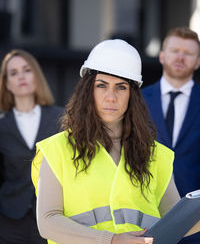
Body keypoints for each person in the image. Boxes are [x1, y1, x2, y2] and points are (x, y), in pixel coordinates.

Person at [32, 39, 199, 244]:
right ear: (88, 91)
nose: (111, 97)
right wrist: (111, 239)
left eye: (121, 87)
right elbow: (48, 222)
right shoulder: (56, 150)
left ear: (132, 95)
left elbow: (179, 223)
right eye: (102, 85)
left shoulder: (156, 156)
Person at [142, 27, 200, 244]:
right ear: (162, 55)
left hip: (197, 222)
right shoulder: (137, 101)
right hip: (145, 217)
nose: (180, 57)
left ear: (198, 61)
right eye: (175, 50)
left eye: (189, 53)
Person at [0, 49, 63, 244]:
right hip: (9, 221)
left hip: (51, 219)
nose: (21, 76)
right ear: (7, 83)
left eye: (26, 70)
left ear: (36, 75)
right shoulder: (2, 126)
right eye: (13, 73)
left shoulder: (61, 119)